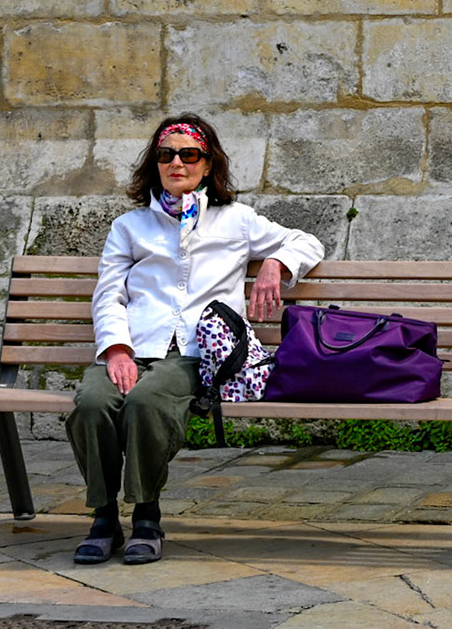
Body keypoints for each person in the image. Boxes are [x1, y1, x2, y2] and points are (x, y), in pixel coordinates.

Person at [67, 115, 323, 565]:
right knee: (91, 402)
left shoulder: (236, 220)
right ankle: (104, 516)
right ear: (156, 164)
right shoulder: (130, 227)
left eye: (190, 154)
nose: (177, 162)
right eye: (167, 155)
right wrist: (117, 349)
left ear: (208, 165)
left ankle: (146, 516)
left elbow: (306, 242)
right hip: (132, 346)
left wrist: (274, 264)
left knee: (147, 403)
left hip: (191, 355)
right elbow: (109, 294)